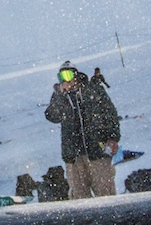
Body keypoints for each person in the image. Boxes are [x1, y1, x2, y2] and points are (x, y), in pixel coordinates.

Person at [45, 61, 121, 199]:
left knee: (105, 193)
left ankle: (112, 220)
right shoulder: (60, 96)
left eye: (68, 75)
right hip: (73, 155)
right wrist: (59, 96)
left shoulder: (92, 90)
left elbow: (110, 113)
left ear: (76, 75)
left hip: (97, 151)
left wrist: (113, 137)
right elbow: (51, 115)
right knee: (79, 196)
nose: (65, 80)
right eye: (61, 76)